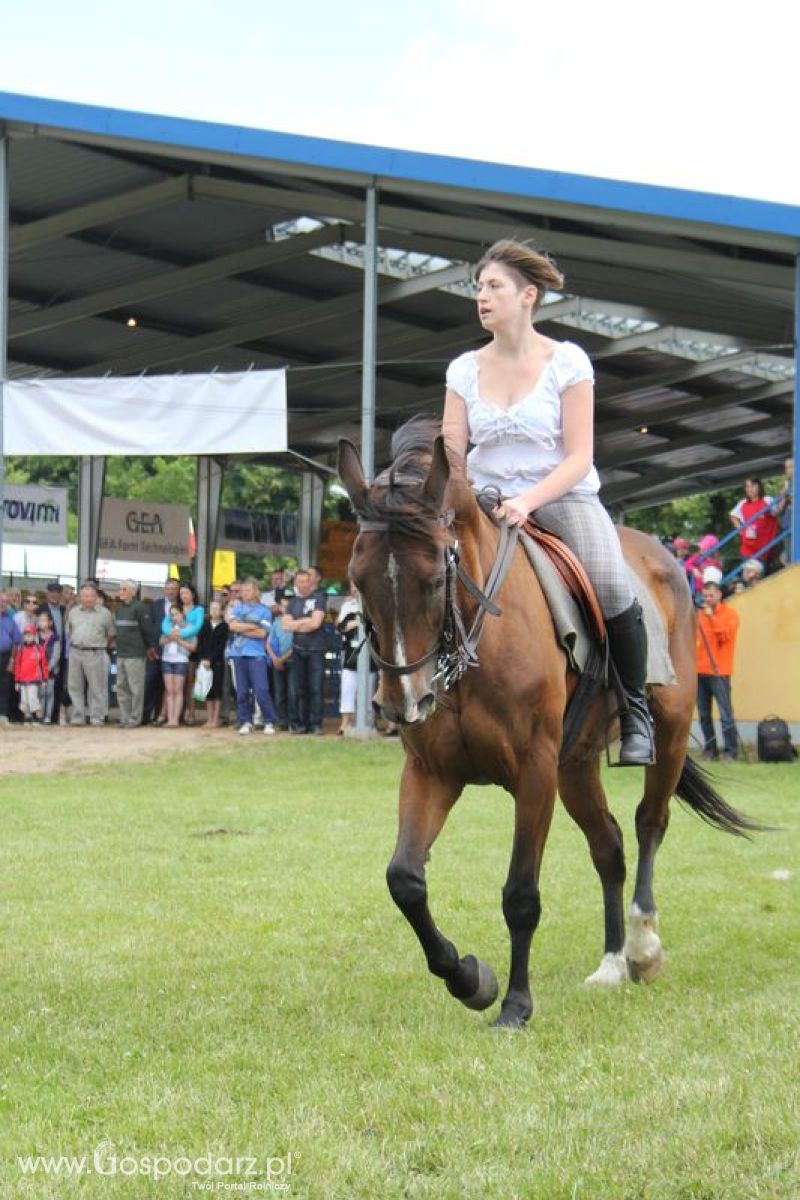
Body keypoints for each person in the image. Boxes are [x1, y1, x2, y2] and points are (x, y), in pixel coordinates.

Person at [442, 238, 653, 765]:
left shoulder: (567, 361)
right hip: (484, 501)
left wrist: (527, 502)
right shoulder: (463, 369)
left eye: (494, 286)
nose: (482, 297)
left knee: (610, 581)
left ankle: (636, 713)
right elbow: (452, 452)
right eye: (478, 287)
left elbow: (579, 456)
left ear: (528, 295)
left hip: (561, 495)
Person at [696, 579, 741, 762]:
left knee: (725, 715)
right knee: (704, 715)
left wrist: (711, 617)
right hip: (700, 671)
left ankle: (731, 751)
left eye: (711, 595)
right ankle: (710, 749)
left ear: (720, 595)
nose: (708, 599)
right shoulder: (699, 615)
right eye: (705, 596)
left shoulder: (731, 614)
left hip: (719, 672)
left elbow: (725, 636)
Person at [227, 577, 277, 735]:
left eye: (248, 590)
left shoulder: (265, 611)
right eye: (243, 591)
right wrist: (252, 626)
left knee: (261, 690)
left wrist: (241, 628)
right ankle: (246, 721)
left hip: (257, 655)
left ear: (256, 592)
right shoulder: (237, 609)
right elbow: (232, 626)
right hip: (238, 654)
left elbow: (262, 633)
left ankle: (269, 720)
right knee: (241, 692)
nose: (244, 593)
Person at [283, 567, 328, 736]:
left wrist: (297, 624)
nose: (304, 584)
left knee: (316, 688)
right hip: (298, 650)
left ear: (311, 582)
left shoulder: (319, 599)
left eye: (307, 581)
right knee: (299, 689)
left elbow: (316, 624)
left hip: (316, 650)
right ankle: (301, 724)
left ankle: (316, 724)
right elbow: (286, 625)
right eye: (300, 581)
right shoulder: (292, 602)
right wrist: (305, 622)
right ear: (296, 583)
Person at [66, 582, 116, 727]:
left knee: (96, 688)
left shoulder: (105, 614)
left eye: (91, 596)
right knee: (75, 686)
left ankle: (96, 717)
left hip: (95, 653)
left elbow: (111, 634)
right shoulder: (73, 612)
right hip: (76, 652)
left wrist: (100, 645)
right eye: (85, 596)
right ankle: (78, 717)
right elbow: (69, 631)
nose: (88, 599)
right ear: (80, 597)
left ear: (96, 597)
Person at [114, 578, 153, 727]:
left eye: (124, 589)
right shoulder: (119, 608)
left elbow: (147, 630)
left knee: (136, 688)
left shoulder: (141, 607)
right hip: (121, 653)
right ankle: (125, 717)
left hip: (135, 654)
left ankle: (135, 718)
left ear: (133, 592)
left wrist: (148, 648)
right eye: (120, 589)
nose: (121, 592)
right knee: (121, 687)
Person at [144, 577, 180, 725]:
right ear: (164, 590)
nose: (171, 592)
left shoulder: (182, 606)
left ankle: (162, 716)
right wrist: (151, 647)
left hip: (176, 652)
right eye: (168, 589)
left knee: (169, 687)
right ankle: (146, 715)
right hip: (156, 651)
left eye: (174, 589)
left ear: (178, 591)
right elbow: (150, 628)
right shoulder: (155, 605)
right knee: (151, 681)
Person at [730, 477, 780, 571]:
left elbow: (777, 512)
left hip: (765, 548)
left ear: (759, 486)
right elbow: (733, 515)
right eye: (747, 487)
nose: (750, 489)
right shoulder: (743, 503)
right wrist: (740, 529)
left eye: (753, 485)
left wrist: (785, 499)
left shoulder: (767, 500)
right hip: (747, 548)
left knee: (762, 577)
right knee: (748, 576)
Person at [160, 605, 196, 727]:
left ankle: (175, 719)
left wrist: (179, 640)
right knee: (169, 690)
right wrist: (170, 637)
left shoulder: (189, 627)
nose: (174, 617)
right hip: (167, 659)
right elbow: (161, 642)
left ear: (182, 614)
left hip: (181, 660)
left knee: (178, 690)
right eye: (172, 615)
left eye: (176, 614)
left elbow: (193, 647)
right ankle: (170, 719)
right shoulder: (167, 627)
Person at [174, 583, 205, 725]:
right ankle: (178, 713)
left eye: (186, 593)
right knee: (179, 682)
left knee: (190, 682)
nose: (183, 596)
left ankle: (191, 713)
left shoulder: (199, 610)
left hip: (193, 647)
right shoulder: (177, 609)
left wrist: (183, 626)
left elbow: (197, 627)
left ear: (192, 594)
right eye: (181, 593)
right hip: (176, 648)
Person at [197, 598, 229, 728]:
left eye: (217, 609)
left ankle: (216, 719)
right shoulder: (205, 625)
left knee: (217, 690)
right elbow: (200, 643)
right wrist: (203, 659)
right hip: (204, 663)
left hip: (217, 663)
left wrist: (211, 659)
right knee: (207, 691)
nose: (214, 611)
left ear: (221, 611)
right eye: (212, 609)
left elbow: (221, 646)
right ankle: (209, 718)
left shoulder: (224, 626)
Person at [38, 582, 67, 723]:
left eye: (57, 592)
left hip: (61, 653)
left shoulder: (63, 610)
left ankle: (53, 716)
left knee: (58, 685)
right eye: (52, 592)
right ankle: (40, 715)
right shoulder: (40, 609)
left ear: (60, 595)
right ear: (47, 594)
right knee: (42, 687)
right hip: (46, 652)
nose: (54, 595)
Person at [336, 582, 362, 736]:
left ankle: (367, 722)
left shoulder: (374, 603)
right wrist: (360, 621)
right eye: (353, 586)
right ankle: (345, 723)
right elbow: (341, 627)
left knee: (368, 689)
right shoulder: (348, 605)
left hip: (370, 655)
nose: (355, 589)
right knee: (347, 689)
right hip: (351, 653)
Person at [266, 598, 293, 730]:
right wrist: (274, 658)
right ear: (280, 607)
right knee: (279, 692)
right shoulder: (276, 622)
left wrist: (281, 659)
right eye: (283, 606)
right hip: (277, 660)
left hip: (291, 661)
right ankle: (282, 720)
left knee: (293, 692)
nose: (286, 608)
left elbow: (296, 645)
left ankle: (293, 720)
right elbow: (268, 643)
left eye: (288, 606)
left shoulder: (295, 622)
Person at [13, 625, 49, 724]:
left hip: (34, 679)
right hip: (23, 680)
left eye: (30, 635)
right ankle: (27, 718)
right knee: (24, 701)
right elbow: (17, 665)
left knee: (33, 699)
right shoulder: (21, 650)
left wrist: (45, 679)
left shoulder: (39, 649)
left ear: (34, 636)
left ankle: (38, 718)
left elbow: (44, 665)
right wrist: (17, 681)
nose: (28, 637)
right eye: (26, 635)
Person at [0, 590, 23, 725]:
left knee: (4, 686)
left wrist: (12, 659)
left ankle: (2, 714)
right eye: (0, 601)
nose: (2, 604)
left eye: (4, 602)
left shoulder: (10, 620)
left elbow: (16, 641)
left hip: (5, 656)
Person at [36, 609, 60, 724]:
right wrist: (38, 669)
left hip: (50, 671)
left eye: (44, 620)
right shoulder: (36, 636)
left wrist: (48, 668)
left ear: (50, 622)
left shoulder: (55, 637)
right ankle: (40, 715)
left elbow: (56, 655)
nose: (42, 623)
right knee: (40, 693)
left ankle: (48, 716)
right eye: (40, 620)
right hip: (37, 671)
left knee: (49, 693)